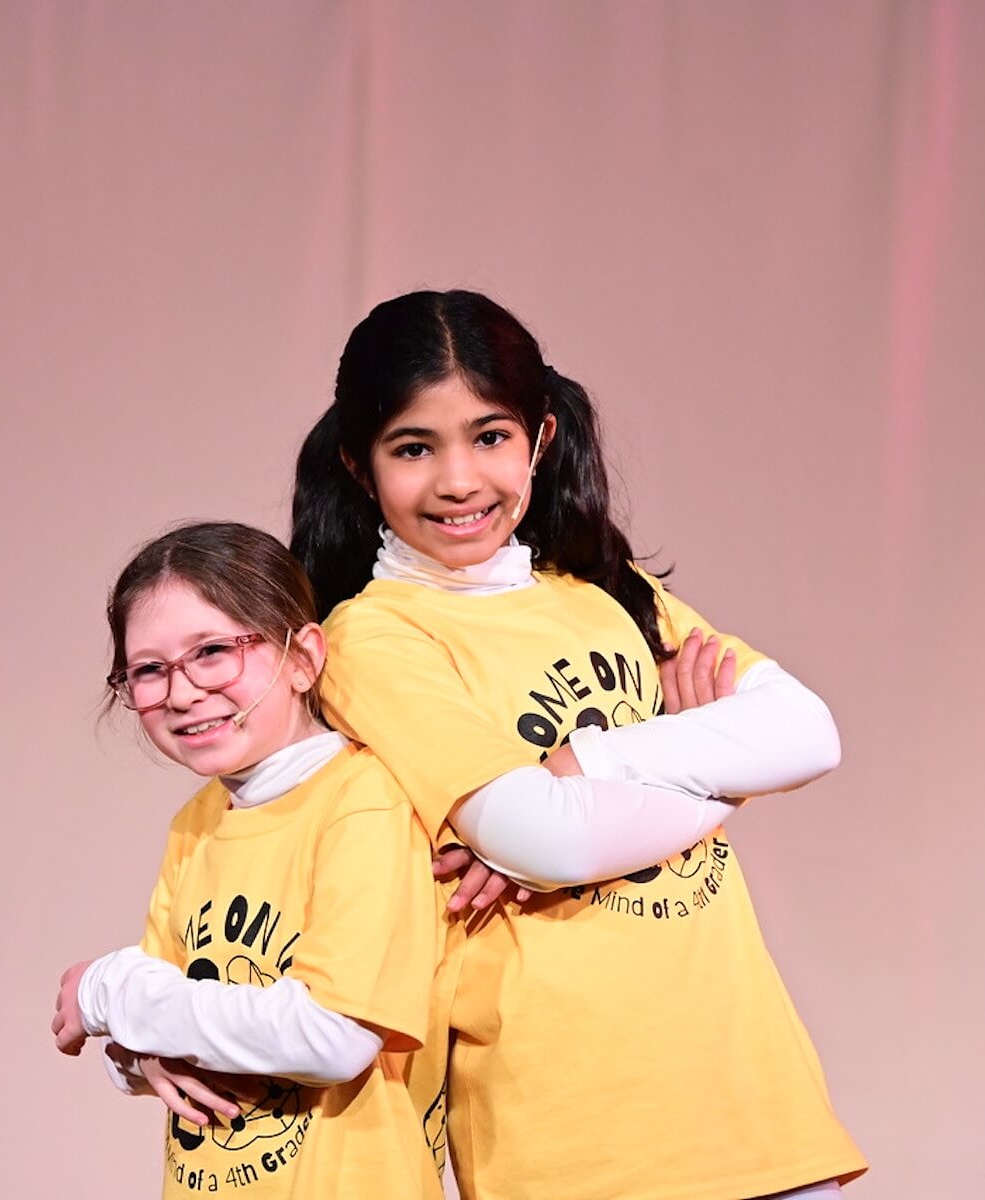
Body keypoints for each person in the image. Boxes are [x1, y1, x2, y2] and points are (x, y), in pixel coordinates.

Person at [291, 289, 869, 1199]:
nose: (458, 480)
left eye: (490, 437)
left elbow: (808, 734)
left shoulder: (610, 590)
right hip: (570, 1135)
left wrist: (590, 766)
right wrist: (709, 763)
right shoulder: (374, 637)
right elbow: (544, 839)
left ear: (541, 439)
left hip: (755, 1103)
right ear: (359, 468)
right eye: (414, 447)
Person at [50, 522, 445, 1199]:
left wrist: (108, 991)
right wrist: (140, 1047)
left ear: (302, 657)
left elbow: (334, 1035)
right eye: (148, 670)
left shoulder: (364, 802)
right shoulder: (196, 823)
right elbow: (160, 1024)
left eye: (211, 652)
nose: (180, 693)